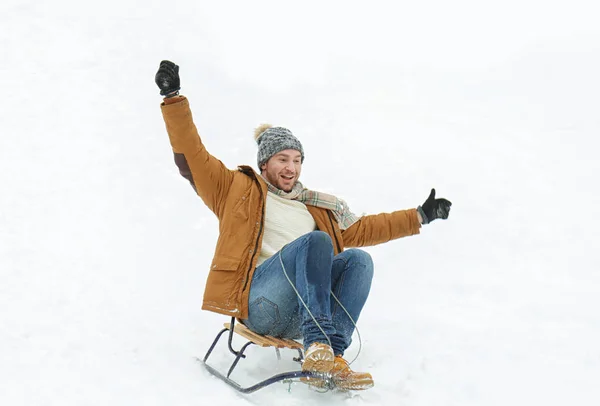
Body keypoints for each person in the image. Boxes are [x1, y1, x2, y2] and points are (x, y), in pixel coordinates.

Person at [155, 60, 452, 390]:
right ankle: (318, 345)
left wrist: (419, 216)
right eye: (283, 159)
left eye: (296, 160)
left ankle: (329, 356)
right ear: (265, 163)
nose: (291, 167)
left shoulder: (315, 206)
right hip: (260, 303)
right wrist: (173, 98)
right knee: (317, 243)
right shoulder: (235, 189)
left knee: (358, 260)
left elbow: (364, 230)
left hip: (303, 312)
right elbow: (192, 159)